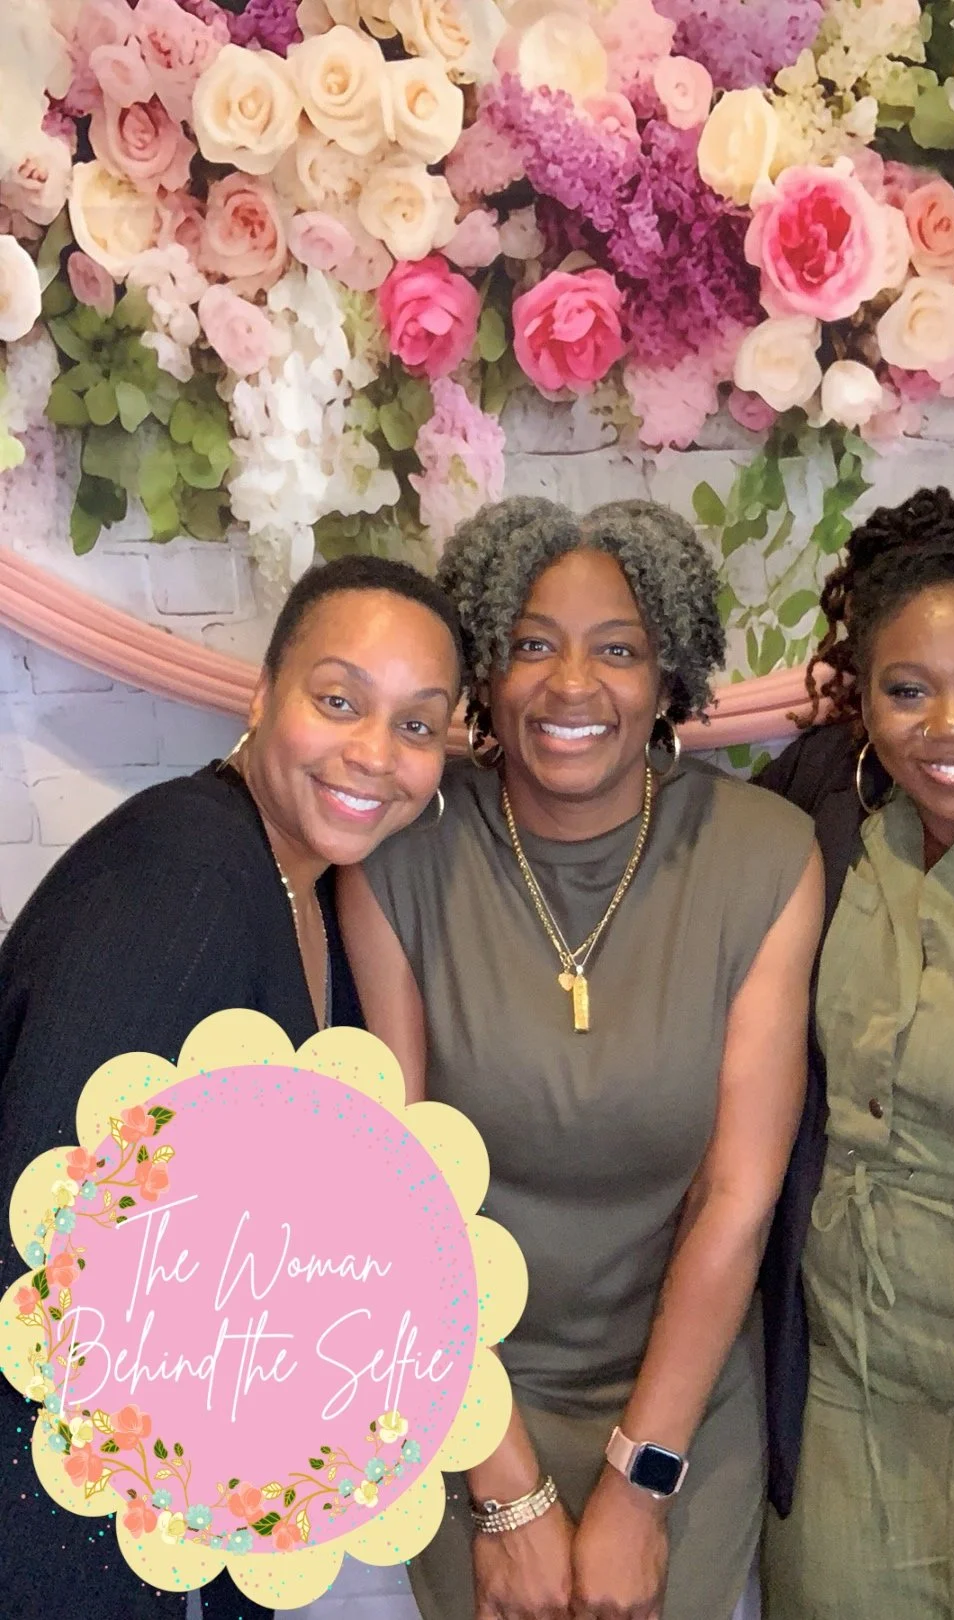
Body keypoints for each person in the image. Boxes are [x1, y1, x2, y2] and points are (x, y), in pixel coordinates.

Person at [337, 495, 823, 1620]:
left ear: (670, 678)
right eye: (530, 646)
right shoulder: (403, 853)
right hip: (463, 1393)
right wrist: (503, 1491)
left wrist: (639, 1490)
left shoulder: (762, 855)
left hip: (679, 1404)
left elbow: (737, 1202)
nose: (571, 685)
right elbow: (396, 1194)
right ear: (483, 672)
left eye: (619, 650)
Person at [0, 554, 463, 1620]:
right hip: (59, 1506)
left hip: (148, 1495)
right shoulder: (188, 875)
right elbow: (55, 1221)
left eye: (417, 725)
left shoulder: (305, 884)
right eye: (339, 700)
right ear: (262, 695)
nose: (374, 755)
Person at [757, 487, 954, 1620]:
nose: (950, 726)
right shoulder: (823, 806)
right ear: (863, 696)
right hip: (843, 1406)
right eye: (908, 689)